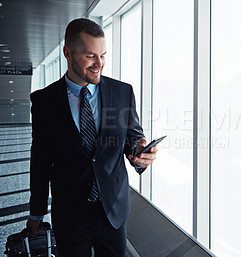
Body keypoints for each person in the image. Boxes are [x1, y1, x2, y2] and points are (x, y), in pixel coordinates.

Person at [26, 18, 157, 257]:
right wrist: (36, 212)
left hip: (113, 211)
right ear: (68, 52)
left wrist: (141, 150)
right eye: (90, 56)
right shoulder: (44, 101)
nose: (99, 64)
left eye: (103, 55)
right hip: (70, 212)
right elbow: (41, 160)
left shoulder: (122, 92)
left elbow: (134, 136)